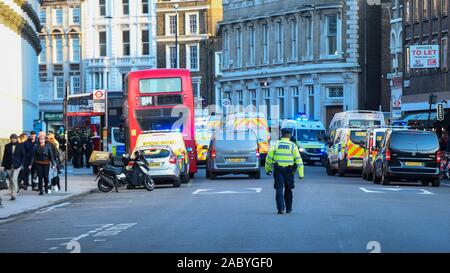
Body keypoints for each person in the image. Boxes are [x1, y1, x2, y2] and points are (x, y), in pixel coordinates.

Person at [265, 127, 304, 214]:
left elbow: (268, 158)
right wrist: (301, 174)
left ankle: (280, 208)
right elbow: (298, 160)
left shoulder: (275, 145)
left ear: (282, 135)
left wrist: (268, 170)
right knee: (288, 189)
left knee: (279, 188)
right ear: (289, 135)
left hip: (278, 169)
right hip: (289, 171)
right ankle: (289, 208)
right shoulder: (293, 146)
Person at [1, 134, 26, 201]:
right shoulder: (7, 146)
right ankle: (14, 190)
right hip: (9, 165)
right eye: (12, 138)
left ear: (16, 139)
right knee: (10, 180)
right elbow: (4, 156)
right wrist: (2, 165)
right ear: (10, 139)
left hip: (17, 165)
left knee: (14, 178)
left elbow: (23, 156)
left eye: (14, 138)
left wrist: (22, 164)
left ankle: (13, 195)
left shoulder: (20, 146)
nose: (13, 139)